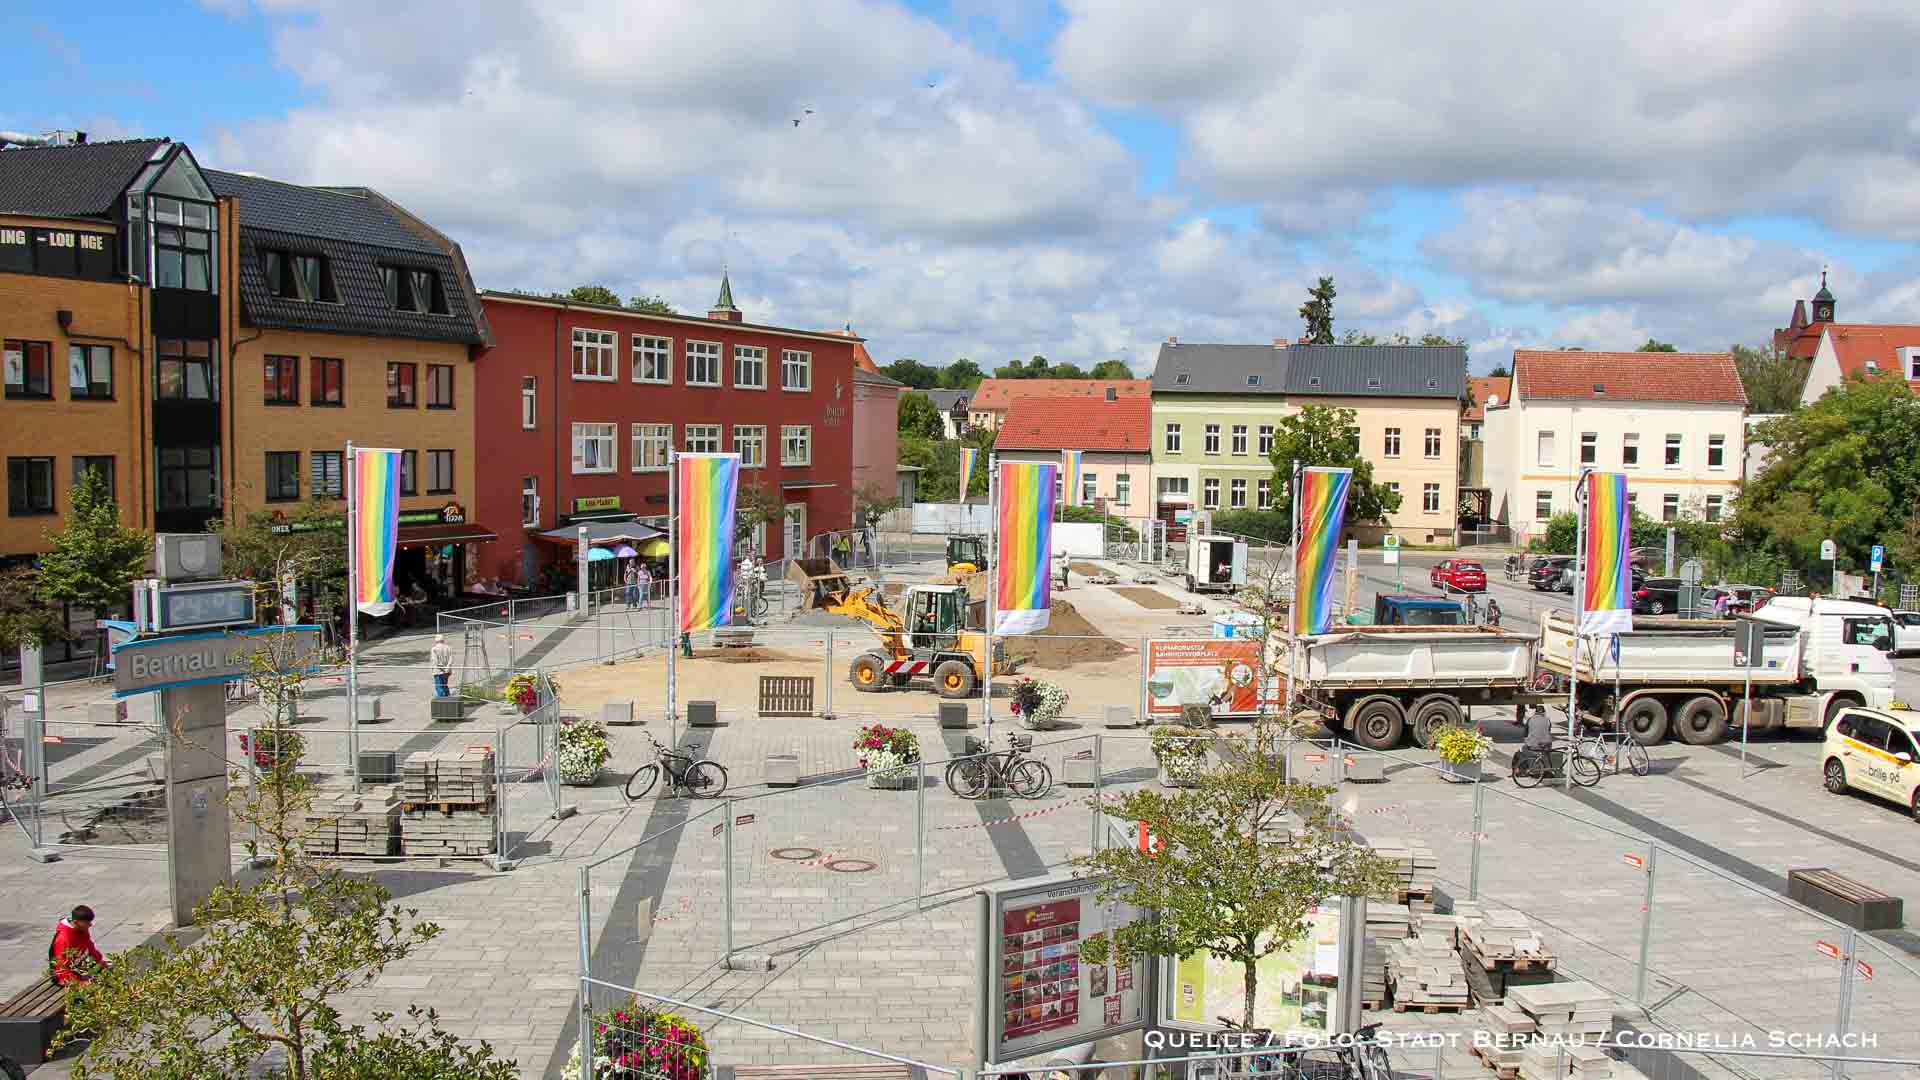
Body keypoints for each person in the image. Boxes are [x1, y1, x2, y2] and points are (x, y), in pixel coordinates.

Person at [50, 905, 106, 986]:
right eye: (87, 922)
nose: (90, 925)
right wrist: (79, 983)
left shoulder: (82, 929)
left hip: (78, 966)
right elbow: (61, 967)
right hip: (64, 976)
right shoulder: (63, 939)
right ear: (76, 922)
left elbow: (89, 945)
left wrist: (99, 960)